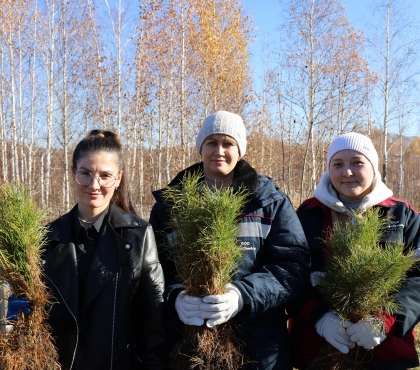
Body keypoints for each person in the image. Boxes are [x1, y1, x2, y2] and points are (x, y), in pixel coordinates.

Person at [149, 110, 310, 370]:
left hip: (259, 351)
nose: (219, 151)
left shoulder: (269, 202)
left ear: (240, 150)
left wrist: (242, 295)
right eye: (211, 142)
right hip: (190, 349)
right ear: (200, 147)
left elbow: (292, 267)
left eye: (228, 143)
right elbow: (155, 270)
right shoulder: (169, 207)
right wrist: (175, 298)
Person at [7, 130, 166, 370]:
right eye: (85, 173)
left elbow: (153, 320)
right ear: (73, 173)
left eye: (105, 175)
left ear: (118, 178)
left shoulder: (138, 235)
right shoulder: (46, 238)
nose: (94, 185)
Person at [288, 132, 420, 369]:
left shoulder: (402, 214)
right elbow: (289, 273)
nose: (347, 172)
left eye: (357, 162)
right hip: (319, 350)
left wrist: (385, 321)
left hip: (386, 352)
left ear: (373, 166)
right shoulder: (307, 213)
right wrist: (319, 318)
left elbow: (417, 278)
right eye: (338, 164)